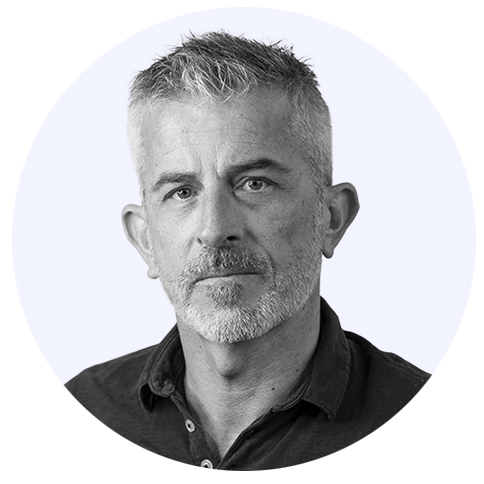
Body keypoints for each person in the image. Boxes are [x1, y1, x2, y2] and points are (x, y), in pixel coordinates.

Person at [65, 31, 430, 471]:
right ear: (145, 239)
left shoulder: (432, 427)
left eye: (254, 183)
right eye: (182, 192)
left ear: (331, 217)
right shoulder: (78, 417)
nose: (215, 230)